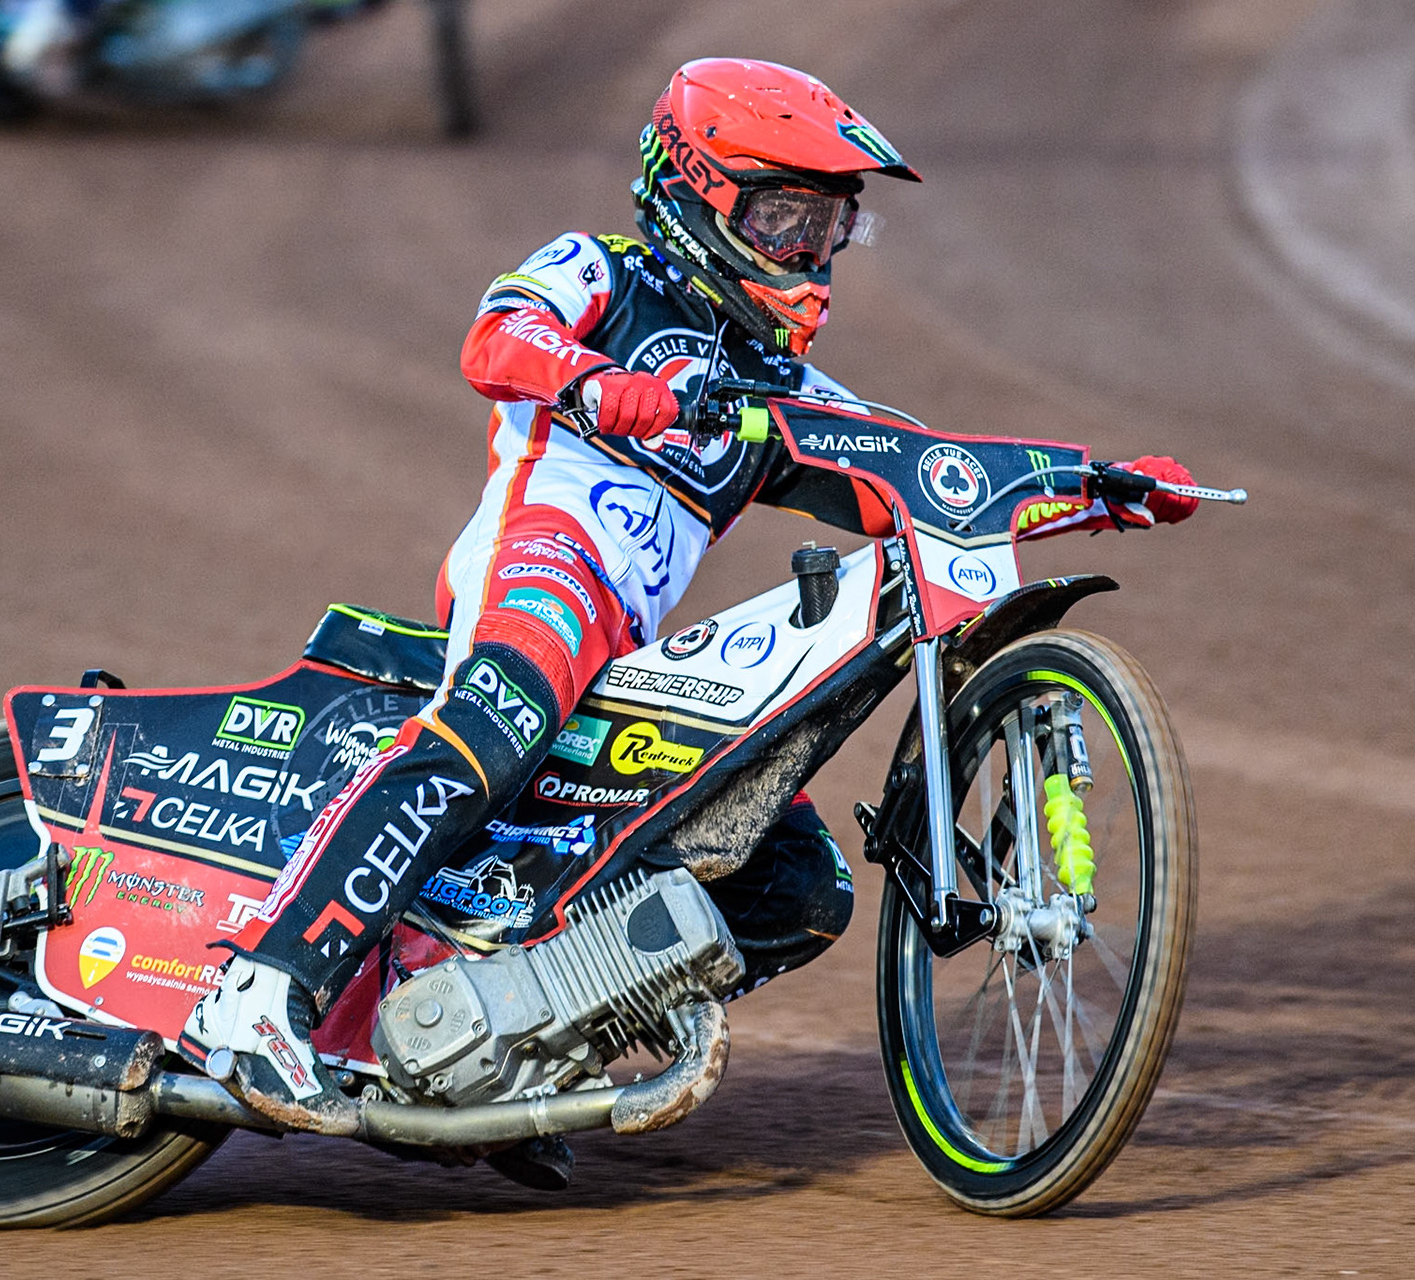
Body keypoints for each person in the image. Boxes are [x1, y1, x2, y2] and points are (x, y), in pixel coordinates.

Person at [179, 58, 1196, 1143]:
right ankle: (259, 988)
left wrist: (1097, 485)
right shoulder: (601, 270)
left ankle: (525, 1045)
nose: (807, 255)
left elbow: (925, 463)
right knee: (499, 717)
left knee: (797, 882)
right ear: (695, 192)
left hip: (630, 653)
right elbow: (495, 337)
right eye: (782, 219)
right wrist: (593, 383)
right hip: (545, 562)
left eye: (827, 228)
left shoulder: (777, 387)